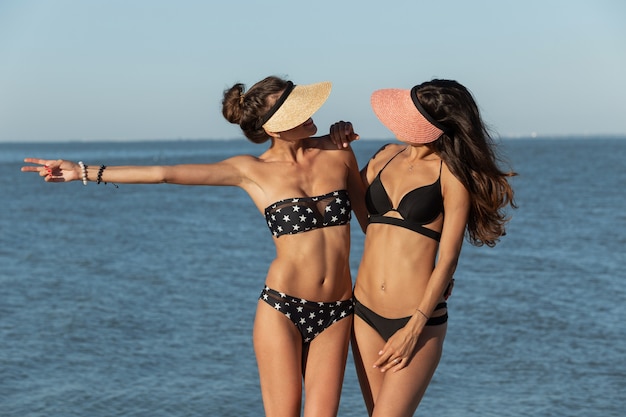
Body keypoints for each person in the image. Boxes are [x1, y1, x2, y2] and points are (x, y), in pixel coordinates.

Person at [22, 75, 368, 417]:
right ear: (274, 128)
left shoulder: (338, 152)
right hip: (283, 310)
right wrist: (81, 171)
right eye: (295, 109)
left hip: (336, 310)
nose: (310, 112)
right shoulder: (251, 170)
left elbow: (373, 221)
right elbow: (164, 173)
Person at [330, 79, 516, 416]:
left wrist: (413, 328)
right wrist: (343, 149)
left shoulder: (451, 175)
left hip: (416, 321)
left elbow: (448, 258)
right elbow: (363, 217)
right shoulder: (385, 156)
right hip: (364, 312)